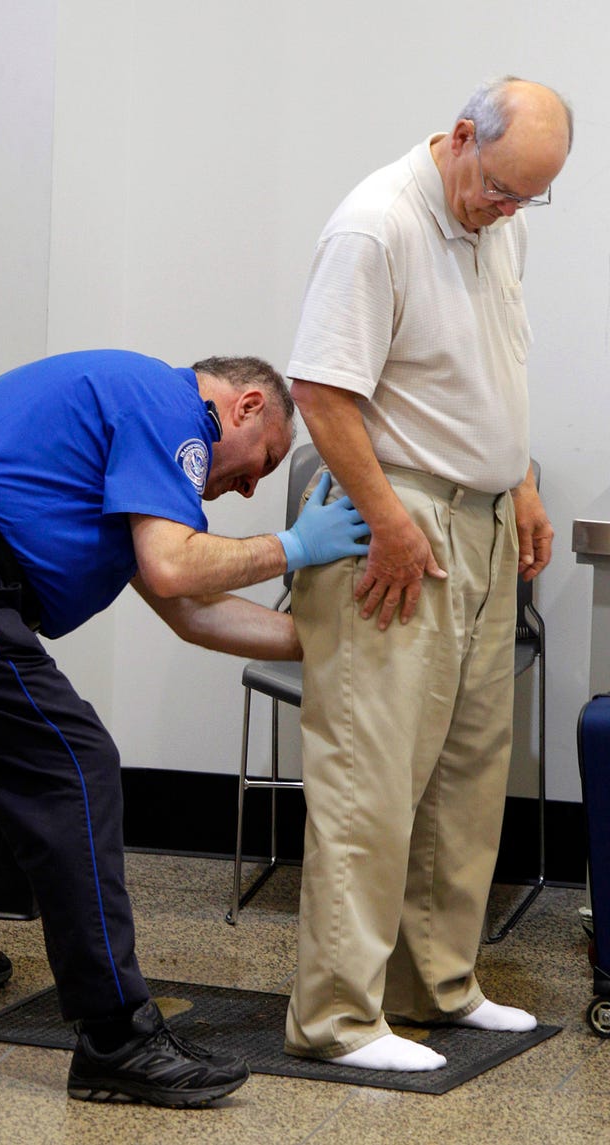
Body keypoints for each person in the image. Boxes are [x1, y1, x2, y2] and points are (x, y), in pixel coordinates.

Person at [0, 348, 369, 1108]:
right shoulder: (173, 410)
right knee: (74, 760)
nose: (244, 487)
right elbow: (177, 571)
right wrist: (296, 548)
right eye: (260, 464)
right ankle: (117, 1037)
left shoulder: (134, 443)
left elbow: (191, 612)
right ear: (243, 406)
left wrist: (327, 643)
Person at [284, 77, 572, 1073]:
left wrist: (519, 480)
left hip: (483, 518)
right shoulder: (376, 224)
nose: (507, 210)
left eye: (529, 197)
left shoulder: (497, 227)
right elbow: (320, 391)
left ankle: (435, 983)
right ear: (456, 138)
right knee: (370, 771)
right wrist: (384, 517)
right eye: (498, 187)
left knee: (464, 766)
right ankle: (338, 1016)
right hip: (397, 518)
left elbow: (491, 368)